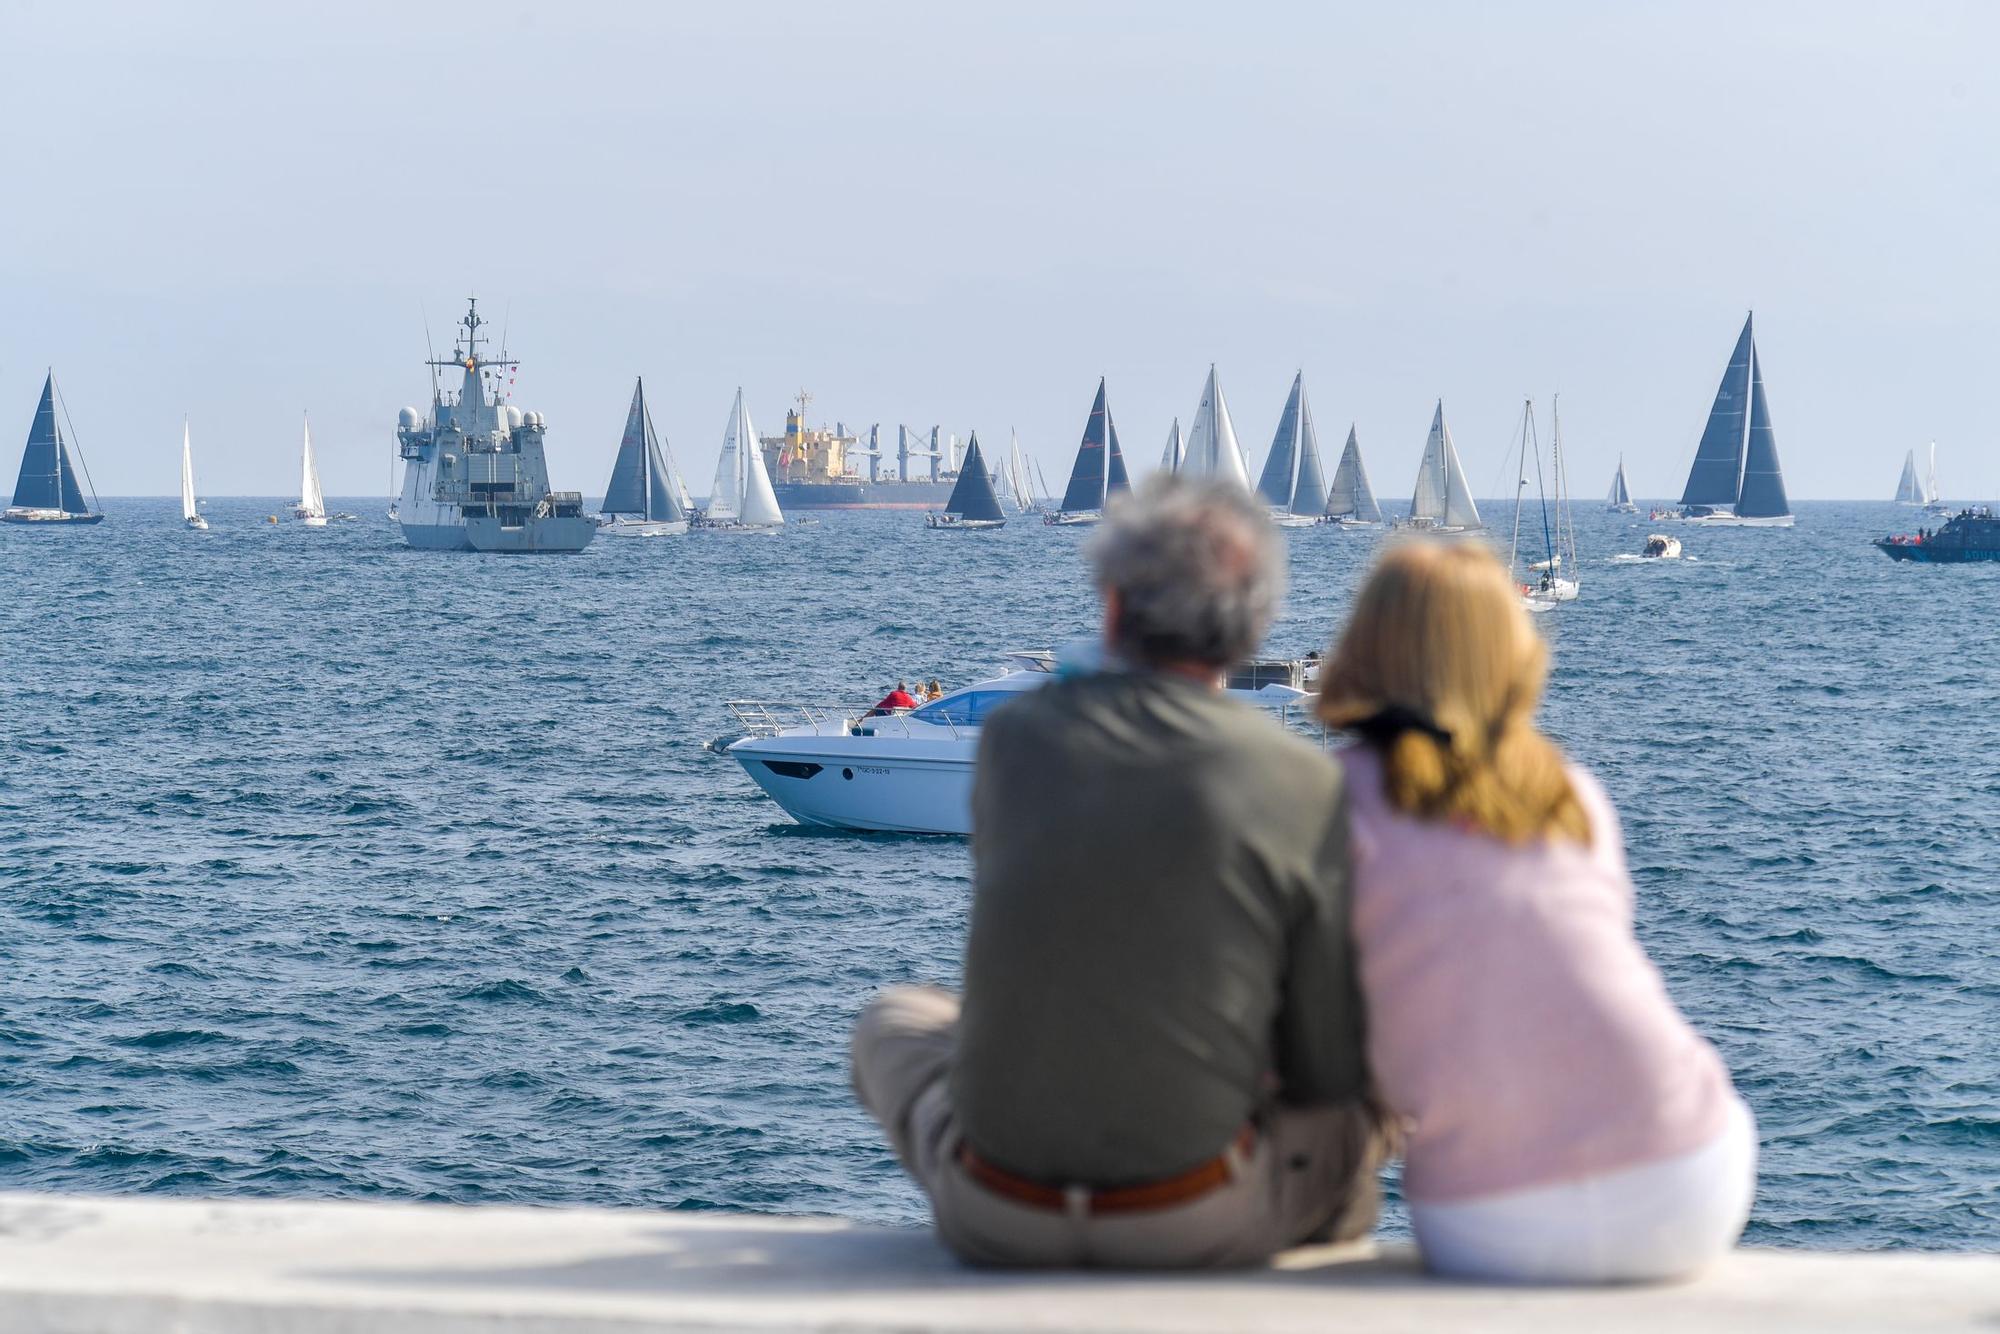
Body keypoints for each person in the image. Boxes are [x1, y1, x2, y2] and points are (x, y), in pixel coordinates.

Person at [852, 476, 1384, 1268]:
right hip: (1194, 1216)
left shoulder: (1016, 741)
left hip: (997, 1209)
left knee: (894, 1019)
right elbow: (1325, 1058)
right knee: (1359, 1098)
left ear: (1110, 608)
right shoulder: (1295, 776)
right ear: (1250, 631)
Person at [1314, 540, 1755, 1283]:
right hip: (1694, 1178)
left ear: (1367, 645)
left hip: (1490, 1216)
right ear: (1511, 654)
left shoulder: (1328, 802)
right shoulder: (1571, 795)